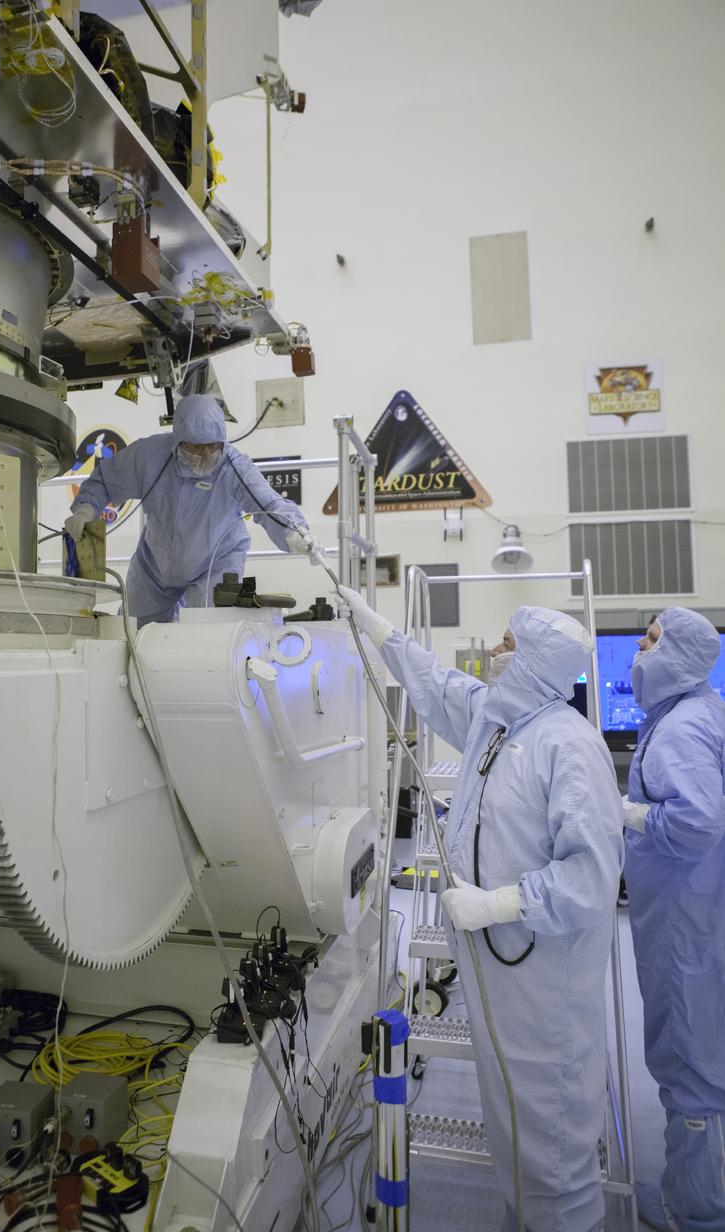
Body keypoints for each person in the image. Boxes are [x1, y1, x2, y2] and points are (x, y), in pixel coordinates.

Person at [339, 588, 623, 1232]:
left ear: (535, 662)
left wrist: (497, 902)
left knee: (553, 1153)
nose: (494, 650)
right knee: (518, 1141)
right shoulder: (500, 721)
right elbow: (438, 687)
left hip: (544, 993)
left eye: (508, 644)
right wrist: (380, 631)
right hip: (501, 977)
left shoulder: (568, 746)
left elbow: (590, 878)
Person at [622, 607, 725, 1232]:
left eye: (653, 638)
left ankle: (697, 1211)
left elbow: (696, 822)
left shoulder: (682, 728)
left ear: (680, 656)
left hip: (682, 917)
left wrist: (629, 814)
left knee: (687, 1054)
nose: (641, 643)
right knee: (703, 1043)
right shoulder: (697, 710)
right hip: (698, 905)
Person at [64, 395, 322, 624]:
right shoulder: (150, 456)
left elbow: (267, 502)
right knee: (134, 632)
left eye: (213, 446)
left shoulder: (234, 467)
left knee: (206, 633)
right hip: (154, 566)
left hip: (216, 563)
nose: (206, 453)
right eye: (197, 447)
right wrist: (86, 508)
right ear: (178, 439)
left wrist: (293, 532)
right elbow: (106, 479)